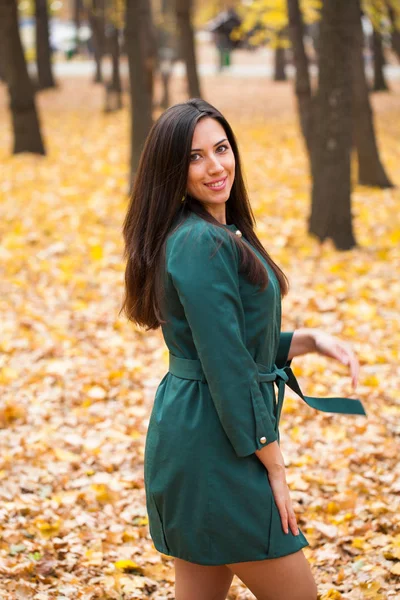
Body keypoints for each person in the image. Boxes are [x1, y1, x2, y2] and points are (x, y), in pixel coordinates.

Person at [120, 98, 366, 600]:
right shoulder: (200, 242)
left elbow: (224, 342)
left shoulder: (212, 234)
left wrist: (308, 341)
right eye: (194, 156)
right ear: (172, 169)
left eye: (222, 148)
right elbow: (227, 364)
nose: (215, 166)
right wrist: (273, 464)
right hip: (216, 446)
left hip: (200, 434)